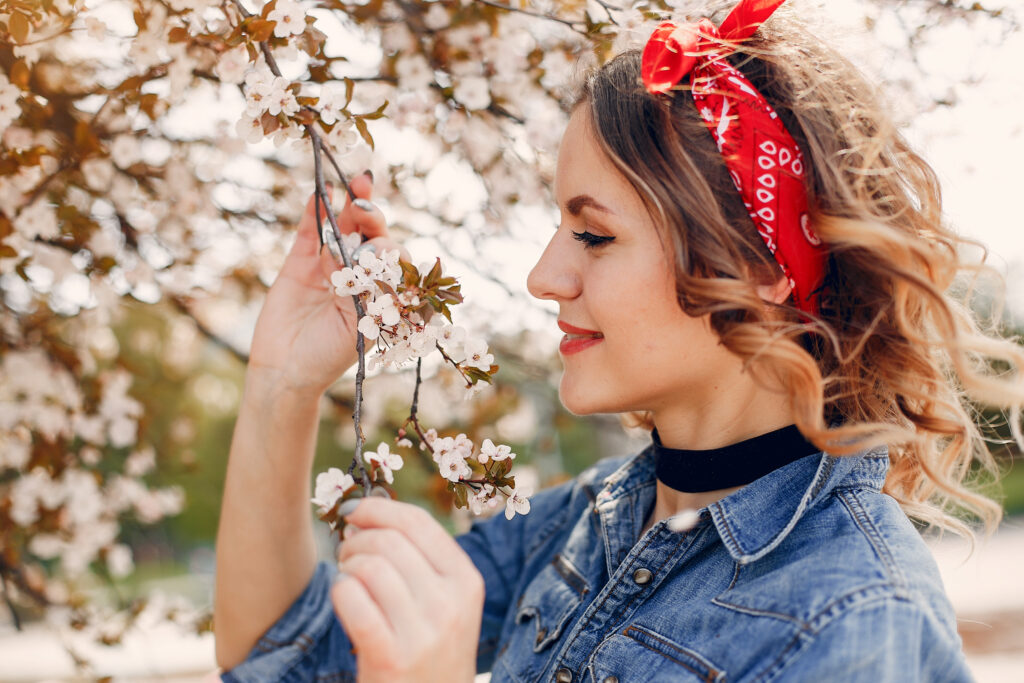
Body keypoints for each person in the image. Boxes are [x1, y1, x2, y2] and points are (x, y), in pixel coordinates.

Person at [213, 1, 1023, 681]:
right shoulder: (588, 520)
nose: (544, 275)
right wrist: (282, 381)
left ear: (757, 264)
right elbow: (288, 660)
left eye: (592, 236)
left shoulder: (851, 619)